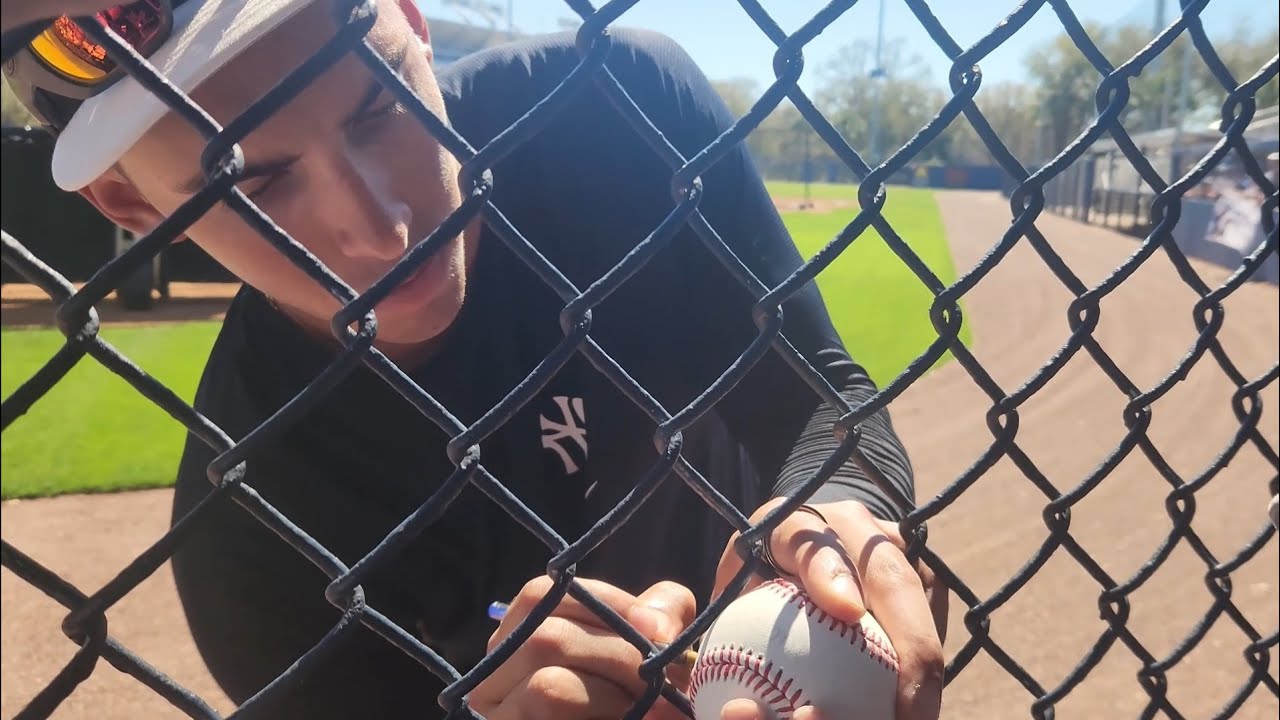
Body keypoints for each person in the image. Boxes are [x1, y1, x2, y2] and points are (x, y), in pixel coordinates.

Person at [2, 1, 947, 718]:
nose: (384, 227)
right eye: (254, 182)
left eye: (377, 109)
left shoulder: (617, 112)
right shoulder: (251, 535)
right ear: (132, 206)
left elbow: (824, 397)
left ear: (412, 18)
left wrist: (847, 505)